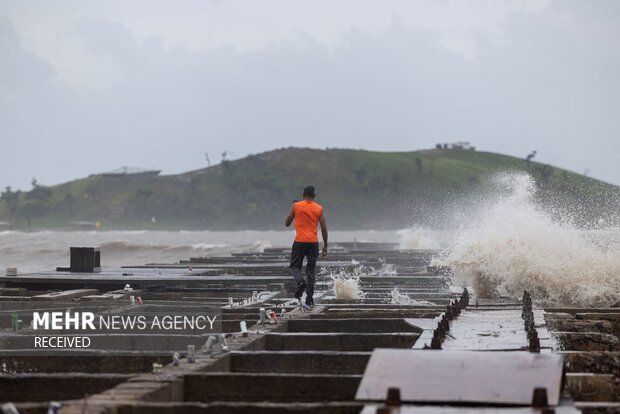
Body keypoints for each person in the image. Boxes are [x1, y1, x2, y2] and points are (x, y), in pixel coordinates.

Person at [285, 185, 328, 307]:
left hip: (299, 241)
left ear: (303, 195)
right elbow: (324, 228)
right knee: (310, 270)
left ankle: (300, 282)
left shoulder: (296, 206)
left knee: (295, 266)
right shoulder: (319, 208)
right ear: (314, 196)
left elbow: (287, 223)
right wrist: (325, 245)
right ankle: (309, 298)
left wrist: (292, 209)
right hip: (313, 243)